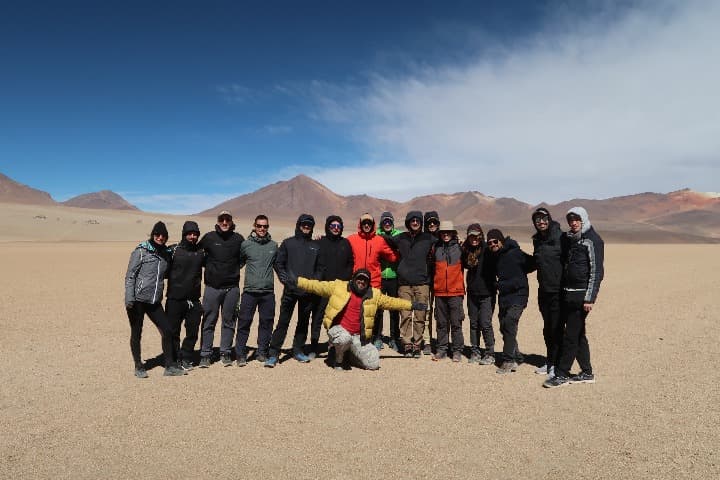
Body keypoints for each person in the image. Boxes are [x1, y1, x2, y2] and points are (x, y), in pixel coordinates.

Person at [292, 269, 424, 370]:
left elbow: (392, 302)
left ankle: (349, 354)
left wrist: (412, 305)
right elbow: (317, 286)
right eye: (359, 279)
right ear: (354, 279)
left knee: (373, 364)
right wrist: (297, 281)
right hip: (339, 331)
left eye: (365, 280)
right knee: (344, 339)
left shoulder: (374, 295)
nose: (361, 282)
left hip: (357, 336)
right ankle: (338, 359)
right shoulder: (339, 287)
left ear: (368, 282)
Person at [544, 207, 604, 388]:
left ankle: (562, 374)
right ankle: (587, 372)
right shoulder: (573, 240)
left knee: (570, 335)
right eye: (571, 220)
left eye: (577, 220)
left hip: (580, 296)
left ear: (584, 219)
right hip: (568, 293)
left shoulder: (592, 241)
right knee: (578, 335)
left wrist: (589, 298)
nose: (573, 223)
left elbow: (596, 272)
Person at [124, 221, 185, 377]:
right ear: (152, 235)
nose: (160, 237)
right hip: (137, 301)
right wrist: (129, 298)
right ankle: (138, 366)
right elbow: (130, 276)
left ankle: (169, 366)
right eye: (157, 234)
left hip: (154, 301)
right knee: (136, 333)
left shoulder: (165, 253)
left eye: (163, 235)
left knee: (167, 330)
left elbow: (165, 273)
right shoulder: (141, 251)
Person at [266, 214, 321, 367]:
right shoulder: (288, 243)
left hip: (308, 292)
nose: (306, 226)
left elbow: (320, 268)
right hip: (290, 291)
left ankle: (298, 350)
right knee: (283, 322)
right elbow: (279, 263)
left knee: (303, 323)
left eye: (309, 224)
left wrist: (312, 283)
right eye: (304, 224)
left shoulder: (316, 246)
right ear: (298, 225)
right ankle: (274, 353)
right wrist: (286, 281)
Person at [198, 210, 245, 368]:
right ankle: (205, 354)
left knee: (229, 321)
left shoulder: (238, 239)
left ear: (231, 222)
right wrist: (212, 269)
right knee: (208, 321)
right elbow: (198, 254)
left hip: (231, 289)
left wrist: (232, 270)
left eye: (227, 220)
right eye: (221, 219)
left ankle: (225, 352)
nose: (224, 222)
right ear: (218, 221)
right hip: (212, 287)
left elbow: (243, 258)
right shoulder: (209, 238)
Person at [486, 228, 536, 374]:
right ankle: (517, 356)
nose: (493, 244)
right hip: (504, 296)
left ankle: (508, 361)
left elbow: (533, 263)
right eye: (490, 243)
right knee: (503, 326)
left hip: (519, 295)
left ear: (501, 240)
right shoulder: (495, 256)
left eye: (495, 241)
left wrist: (519, 279)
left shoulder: (515, 253)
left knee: (509, 322)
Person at [234, 215, 278, 366]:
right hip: (249, 292)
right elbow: (237, 264)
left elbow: (280, 266)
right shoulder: (246, 245)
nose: (262, 229)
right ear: (254, 226)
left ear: (268, 227)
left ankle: (262, 352)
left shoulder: (273, 246)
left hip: (267, 293)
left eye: (265, 226)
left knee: (266, 323)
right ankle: (240, 354)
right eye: (259, 226)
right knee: (244, 322)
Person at [165, 221, 205, 371]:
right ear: (184, 234)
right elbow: (162, 268)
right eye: (190, 233)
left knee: (192, 331)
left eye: (195, 234)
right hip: (175, 299)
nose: (192, 236)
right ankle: (174, 358)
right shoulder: (173, 250)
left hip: (193, 300)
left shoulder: (201, 252)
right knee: (173, 331)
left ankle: (186, 357)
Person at [395, 211, 436, 357]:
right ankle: (406, 344)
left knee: (420, 315)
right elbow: (384, 239)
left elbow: (445, 241)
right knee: (405, 315)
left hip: (422, 284)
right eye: (412, 220)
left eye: (417, 220)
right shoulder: (401, 238)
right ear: (408, 223)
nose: (415, 223)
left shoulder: (428, 238)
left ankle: (417, 344)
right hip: (404, 284)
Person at [314, 215, 354, 358]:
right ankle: (314, 346)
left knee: (338, 318)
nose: (336, 229)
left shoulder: (346, 243)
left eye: (338, 226)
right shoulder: (320, 242)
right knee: (318, 317)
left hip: (340, 288)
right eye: (333, 226)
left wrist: (346, 280)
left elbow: (351, 262)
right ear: (327, 227)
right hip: (324, 287)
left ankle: (335, 346)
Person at [531, 208, 564, 378]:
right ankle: (550, 360)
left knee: (556, 328)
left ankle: (558, 365)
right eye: (537, 220)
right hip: (543, 291)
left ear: (549, 219)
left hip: (558, 291)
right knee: (547, 329)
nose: (541, 222)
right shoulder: (537, 240)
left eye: (543, 219)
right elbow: (535, 262)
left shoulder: (560, 238)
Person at [461, 223, 497, 365]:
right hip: (473, 292)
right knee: (474, 323)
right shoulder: (466, 251)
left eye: (476, 236)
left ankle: (490, 353)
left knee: (485, 323)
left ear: (481, 236)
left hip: (487, 292)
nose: (474, 238)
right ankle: (475, 352)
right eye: (471, 236)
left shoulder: (488, 250)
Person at [431, 221, 465, 362]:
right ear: (440, 234)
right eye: (443, 232)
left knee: (456, 323)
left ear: (453, 233)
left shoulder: (460, 248)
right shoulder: (435, 248)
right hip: (439, 292)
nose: (446, 234)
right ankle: (442, 349)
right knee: (441, 323)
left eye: (448, 232)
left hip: (455, 291)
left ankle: (457, 351)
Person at [373, 211, 402, 351]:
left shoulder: (398, 235)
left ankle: (394, 338)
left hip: (394, 277)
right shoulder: (375, 235)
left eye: (389, 222)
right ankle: (377, 337)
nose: (387, 224)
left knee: (394, 309)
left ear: (393, 223)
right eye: (385, 222)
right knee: (378, 309)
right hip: (380, 278)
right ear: (381, 223)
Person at [347, 213, 399, 290]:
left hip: (374, 283)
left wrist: (402, 251)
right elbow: (340, 246)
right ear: (360, 225)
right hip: (357, 281)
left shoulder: (379, 240)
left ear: (373, 225)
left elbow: (392, 257)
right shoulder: (352, 239)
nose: (367, 225)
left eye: (369, 223)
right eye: (364, 223)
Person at [423, 210, 441, 353]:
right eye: (429, 222)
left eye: (434, 222)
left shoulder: (443, 239)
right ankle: (427, 341)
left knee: (441, 312)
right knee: (426, 311)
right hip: (425, 280)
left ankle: (442, 342)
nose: (432, 224)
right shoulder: (422, 239)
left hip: (440, 280)